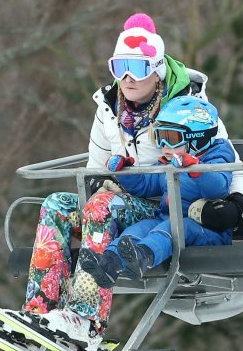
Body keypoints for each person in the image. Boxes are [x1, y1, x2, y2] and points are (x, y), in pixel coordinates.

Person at [22, 12, 243, 351]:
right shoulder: (108, 107)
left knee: (102, 207)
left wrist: (237, 206)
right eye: (119, 68)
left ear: (157, 69)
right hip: (124, 196)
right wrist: (105, 181)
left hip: (160, 204)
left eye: (139, 68)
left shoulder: (188, 107)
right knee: (58, 204)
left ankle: (85, 319)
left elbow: (229, 161)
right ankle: (39, 311)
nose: (127, 79)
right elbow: (95, 167)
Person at [79, 96, 234, 287]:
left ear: (197, 138)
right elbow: (146, 186)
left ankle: (144, 257)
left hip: (207, 228)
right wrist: (125, 172)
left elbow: (219, 187)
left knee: (170, 229)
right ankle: (108, 264)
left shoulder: (218, 155)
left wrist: (195, 168)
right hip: (167, 217)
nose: (164, 147)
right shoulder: (167, 161)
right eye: (159, 138)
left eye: (171, 138)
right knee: (137, 229)